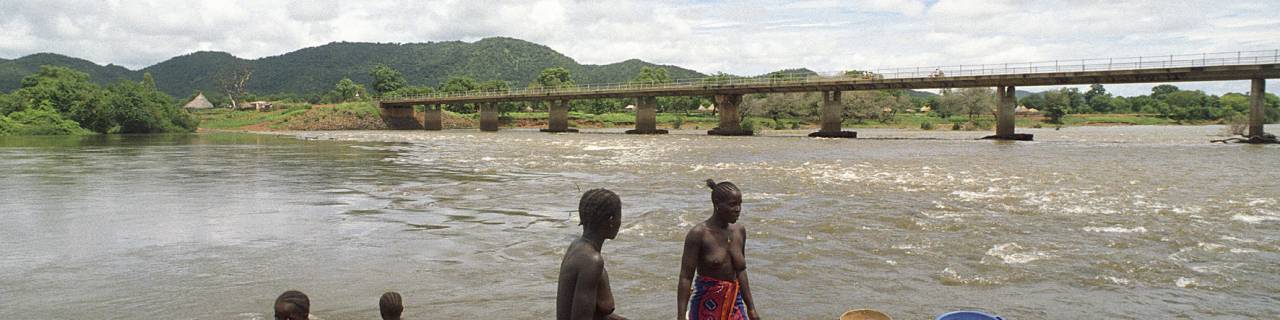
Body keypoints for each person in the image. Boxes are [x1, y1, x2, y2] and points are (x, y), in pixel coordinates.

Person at [677, 180, 760, 320]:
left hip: (735, 302)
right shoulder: (699, 234)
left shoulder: (739, 231)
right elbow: (686, 277)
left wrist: (751, 309)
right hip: (707, 306)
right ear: (717, 204)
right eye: (732, 204)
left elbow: (741, 270)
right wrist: (680, 316)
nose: (738, 209)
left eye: (740, 204)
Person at [556, 189, 627, 320]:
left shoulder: (576, 246)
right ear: (611, 220)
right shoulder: (592, 261)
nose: (620, 222)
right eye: (619, 217)